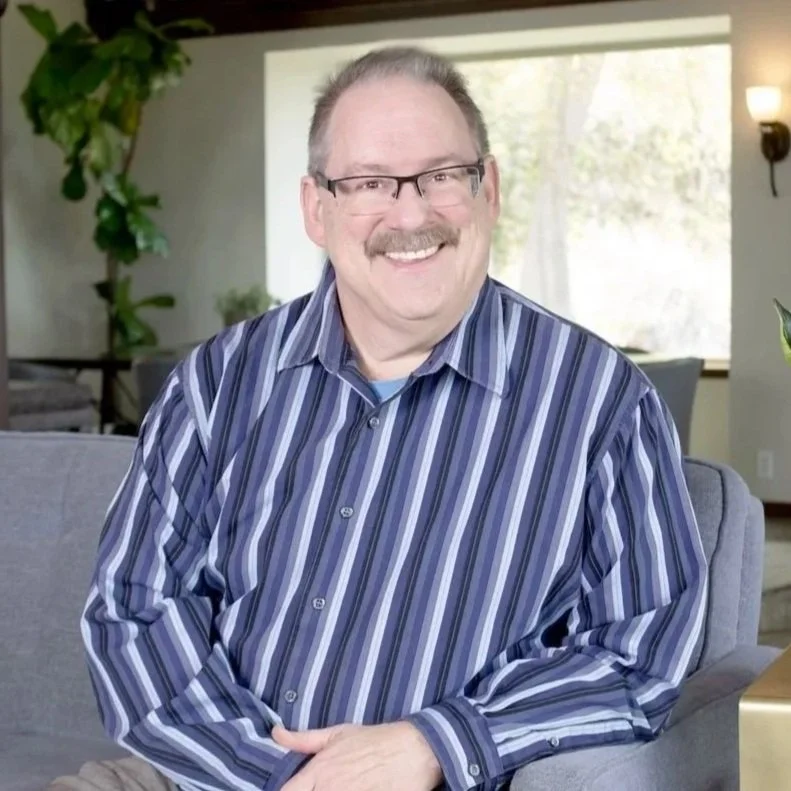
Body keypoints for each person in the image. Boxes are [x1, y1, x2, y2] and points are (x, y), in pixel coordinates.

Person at [82, 46, 707, 791]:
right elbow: (133, 610)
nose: (411, 215)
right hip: (195, 776)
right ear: (316, 208)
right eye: (369, 182)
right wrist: (276, 775)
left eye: (442, 175)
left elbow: (641, 652)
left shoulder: (600, 402)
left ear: (488, 189)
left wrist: (438, 741)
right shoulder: (217, 383)